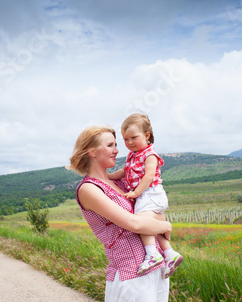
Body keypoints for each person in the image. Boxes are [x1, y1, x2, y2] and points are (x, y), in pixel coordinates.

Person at [69, 125, 172, 301]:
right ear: (92, 151)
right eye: (110, 145)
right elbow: (135, 224)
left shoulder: (122, 184)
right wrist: (166, 225)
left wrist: (159, 222)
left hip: (157, 269)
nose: (117, 150)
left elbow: (154, 212)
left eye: (116, 144)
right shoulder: (88, 189)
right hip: (132, 275)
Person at [108, 113, 183, 278]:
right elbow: (124, 171)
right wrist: (109, 177)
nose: (129, 143)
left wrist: (135, 192)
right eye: (125, 139)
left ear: (147, 135)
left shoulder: (149, 154)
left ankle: (152, 255)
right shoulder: (133, 155)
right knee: (154, 229)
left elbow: (149, 176)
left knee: (142, 222)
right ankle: (170, 254)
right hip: (147, 195)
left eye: (133, 138)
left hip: (150, 193)